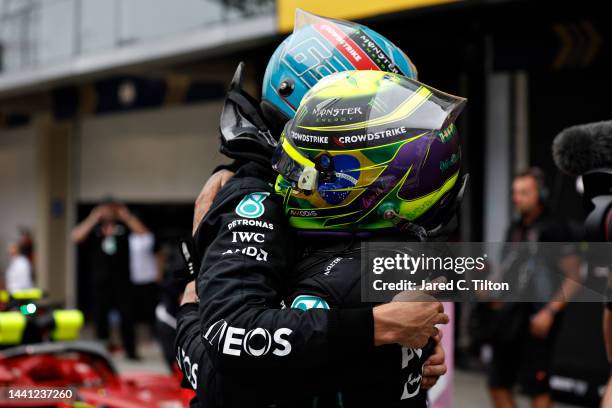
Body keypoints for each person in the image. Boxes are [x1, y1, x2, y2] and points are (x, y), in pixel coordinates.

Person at [177, 69, 465, 407]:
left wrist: (189, 312)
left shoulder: (336, 287)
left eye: (317, 172)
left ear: (379, 185)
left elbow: (223, 381)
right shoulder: (412, 255)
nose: (288, 184)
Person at [487, 168, 581, 408]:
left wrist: (549, 312)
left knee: (537, 387)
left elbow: (574, 276)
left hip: (537, 318)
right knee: (497, 383)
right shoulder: (515, 227)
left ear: (541, 194)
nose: (517, 198)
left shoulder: (554, 228)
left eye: (524, 192)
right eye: (515, 192)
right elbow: (507, 268)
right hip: (509, 317)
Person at [71, 199, 148, 360]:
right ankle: (102, 353)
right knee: (100, 317)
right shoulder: (95, 228)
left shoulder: (123, 227)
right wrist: (93, 218)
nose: (108, 212)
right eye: (104, 209)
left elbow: (143, 233)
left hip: (122, 280)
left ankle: (131, 351)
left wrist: (126, 216)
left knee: (127, 317)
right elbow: (76, 237)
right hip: (100, 281)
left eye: (111, 209)